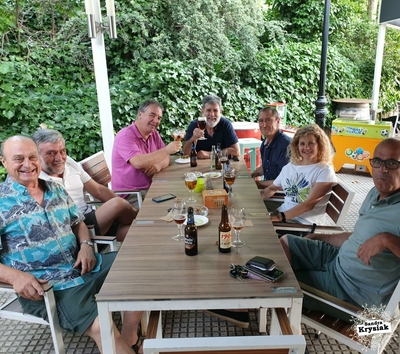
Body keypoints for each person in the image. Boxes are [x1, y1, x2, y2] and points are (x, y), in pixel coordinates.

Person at [0, 136, 142, 354]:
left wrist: (85, 245)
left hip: (85, 266)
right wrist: (15, 277)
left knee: (138, 266)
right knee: (103, 326)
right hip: (49, 287)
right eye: (18, 159)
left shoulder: (55, 189)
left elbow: (78, 222)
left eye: (32, 157)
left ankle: (130, 336)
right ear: (4, 162)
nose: (27, 164)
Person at [280, 138, 400, 318]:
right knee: (285, 244)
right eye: (377, 162)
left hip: (352, 294)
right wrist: (323, 237)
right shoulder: (376, 192)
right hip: (337, 260)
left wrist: (387, 240)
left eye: (392, 163)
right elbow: (360, 236)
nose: (382, 169)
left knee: (280, 286)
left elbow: (381, 239)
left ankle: (292, 339)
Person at [31, 129, 136, 243]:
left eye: (62, 151)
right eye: (51, 153)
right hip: (77, 228)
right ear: (36, 155)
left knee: (140, 232)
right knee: (118, 203)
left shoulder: (70, 163)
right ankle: (141, 216)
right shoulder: (36, 180)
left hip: (92, 217)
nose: (59, 158)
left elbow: (98, 190)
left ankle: (141, 220)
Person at [112, 99, 182, 208]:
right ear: (140, 114)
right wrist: (166, 150)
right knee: (169, 207)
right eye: (152, 115)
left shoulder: (153, 133)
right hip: (131, 195)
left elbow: (166, 157)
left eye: (159, 118)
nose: (155, 120)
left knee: (180, 196)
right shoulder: (125, 135)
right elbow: (138, 162)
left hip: (151, 187)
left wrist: (158, 165)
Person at [261, 124, 337, 224]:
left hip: (303, 223)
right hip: (282, 214)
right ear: (297, 146)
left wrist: (279, 217)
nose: (306, 148)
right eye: (302, 144)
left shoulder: (324, 170)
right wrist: (253, 200)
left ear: (320, 145)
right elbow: (272, 188)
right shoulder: (290, 167)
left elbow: (308, 204)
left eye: (311, 143)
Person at [250, 107, 291, 211]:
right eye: (261, 121)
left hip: (282, 197)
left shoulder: (286, 145)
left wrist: (258, 184)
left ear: (278, 122)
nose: (264, 124)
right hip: (269, 192)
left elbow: (284, 182)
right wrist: (252, 174)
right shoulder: (265, 142)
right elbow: (267, 166)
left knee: (244, 203)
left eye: (268, 120)